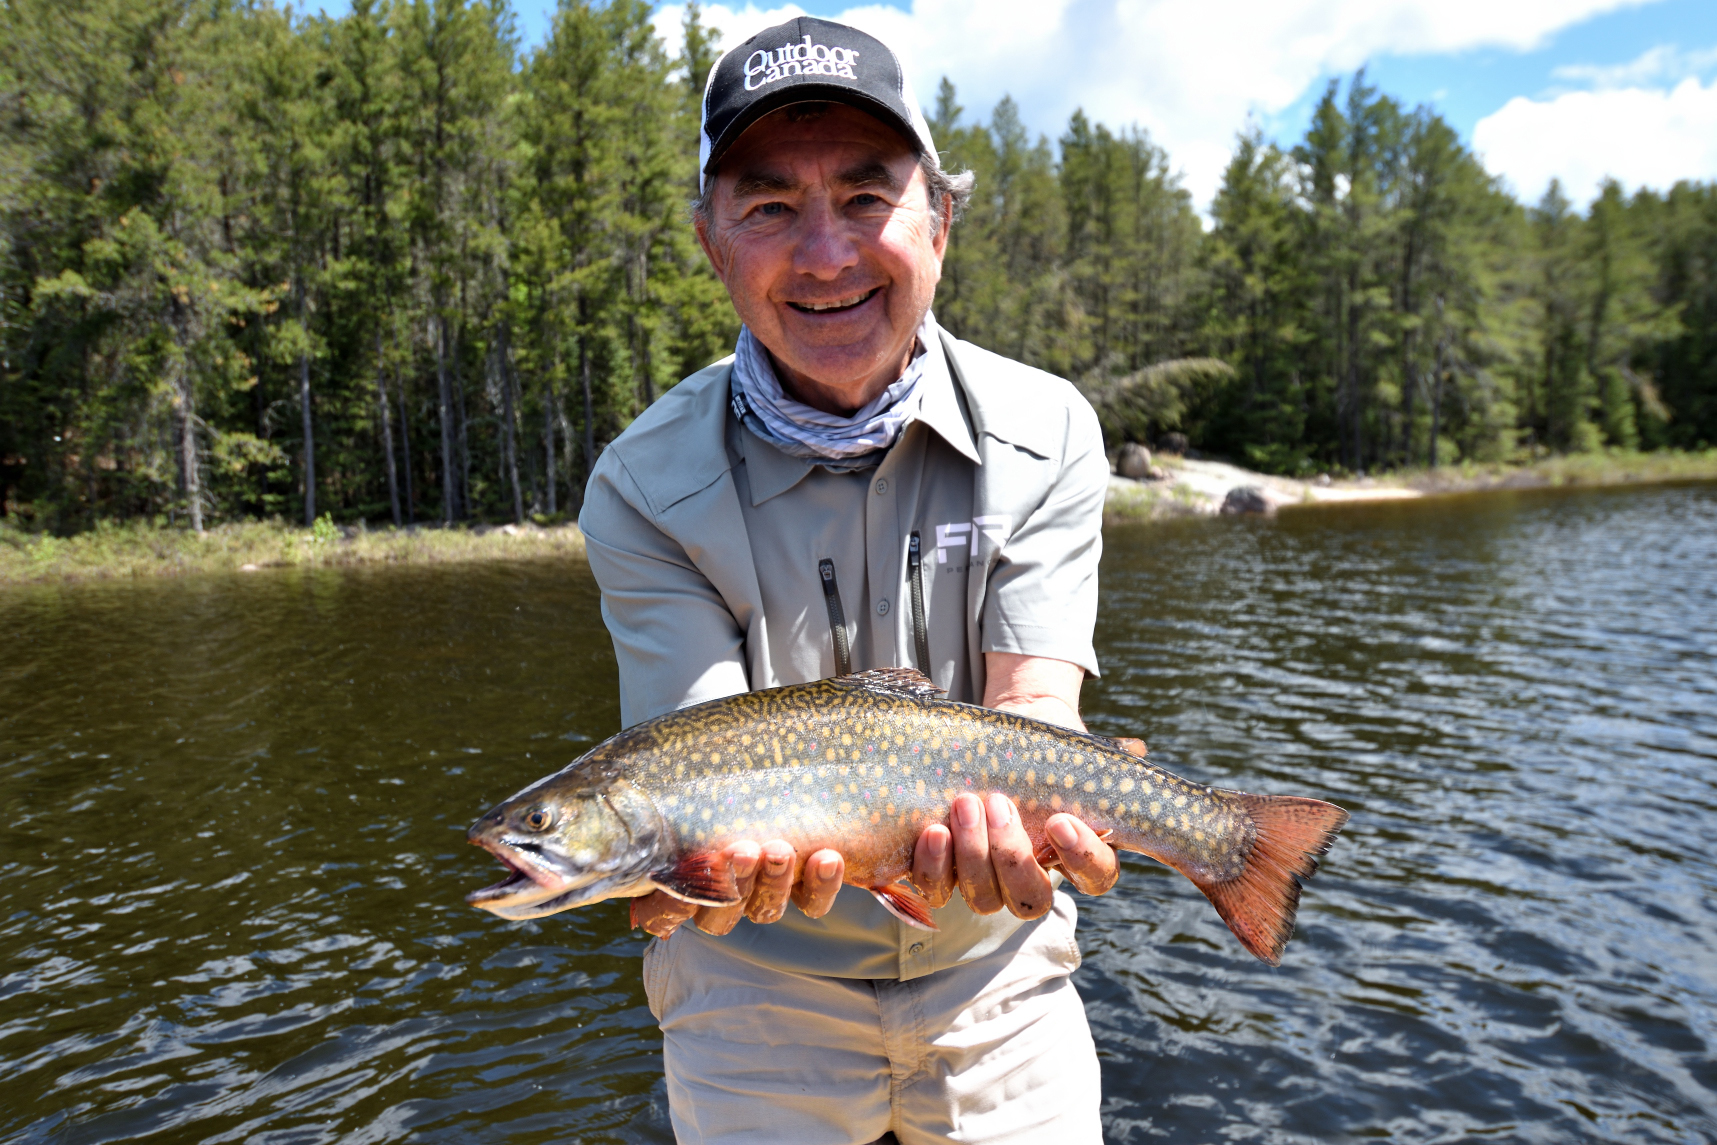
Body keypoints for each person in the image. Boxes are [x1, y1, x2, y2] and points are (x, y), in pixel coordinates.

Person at [579, 16, 1118, 1144]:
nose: (824, 255)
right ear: (710, 242)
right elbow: (702, 761)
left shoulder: (1047, 428)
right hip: (747, 982)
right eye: (769, 206)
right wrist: (695, 873)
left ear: (940, 220)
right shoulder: (639, 485)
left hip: (997, 968)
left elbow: (1034, 712)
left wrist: (1047, 822)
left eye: (866, 197)